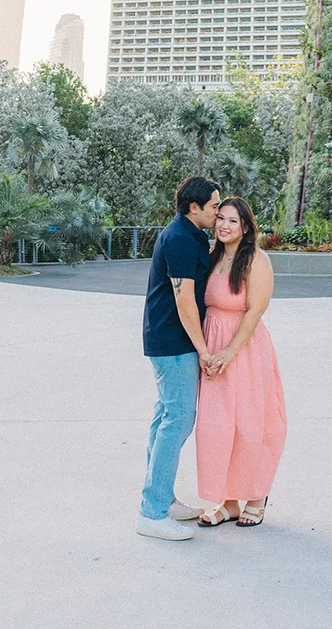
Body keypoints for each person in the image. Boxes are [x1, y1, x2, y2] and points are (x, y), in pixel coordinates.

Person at [136, 175, 221, 541]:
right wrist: (203, 349)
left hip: (169, 338)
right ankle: (151, 513)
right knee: (179, 419)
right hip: (174, 342)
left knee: (165, 417)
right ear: (194, 207)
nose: (218, 213)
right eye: (214, 206)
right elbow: (185, 300)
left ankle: (162, 501)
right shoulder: (181, 239)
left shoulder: (190, 234)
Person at [195, 196, 286, 528]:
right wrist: (206, 351)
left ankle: (257, 496)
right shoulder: (212, 258)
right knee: (218, 427)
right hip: (213, 348)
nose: (223, 225)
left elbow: (255, 310)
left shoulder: (256, 260)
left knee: (251, 425)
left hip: (244, 349)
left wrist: (230, 352)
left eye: (233, 221)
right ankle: (229, 500)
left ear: (245, 227)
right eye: (220, 218)